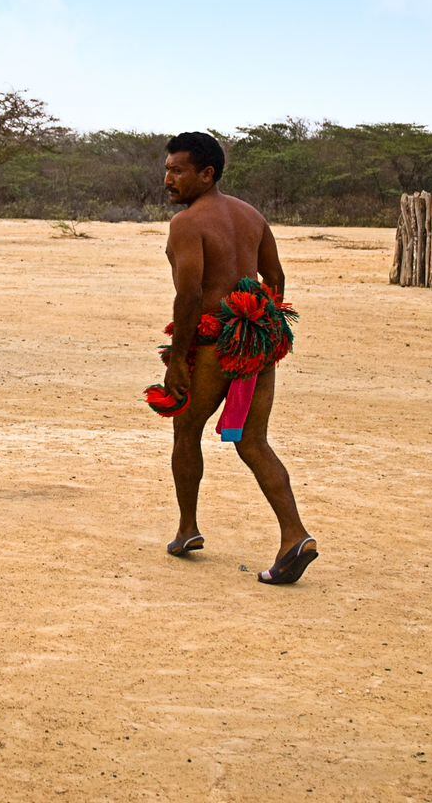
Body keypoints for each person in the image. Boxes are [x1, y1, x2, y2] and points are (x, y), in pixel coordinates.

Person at [159, 132, 318, 585]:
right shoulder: (251, 216)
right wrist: (261, 332)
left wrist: (178, 360)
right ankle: (294, 535)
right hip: (254, 345)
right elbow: (276, 278)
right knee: (252, 441)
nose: (168, 179)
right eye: (167, 169)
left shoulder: (187, 224)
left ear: (206, 174)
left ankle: (188, 528)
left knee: (186, 426)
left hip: (212, 345)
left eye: (178, 171)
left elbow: (188, 295)